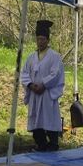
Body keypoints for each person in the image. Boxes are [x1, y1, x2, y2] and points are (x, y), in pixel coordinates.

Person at [21, 20, 65, 152]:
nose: (40, 42)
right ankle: (41, 143)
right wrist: (30, 85)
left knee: (49, 118)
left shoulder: (54, 56)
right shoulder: (31, 57)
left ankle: (53, 144)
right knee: (36, 119)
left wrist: (44, 85)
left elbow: (56, 73)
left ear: (48, 40)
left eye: (43, 39)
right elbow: (24, 73)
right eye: (38, 39)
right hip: (34, 93)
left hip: (46, 94)